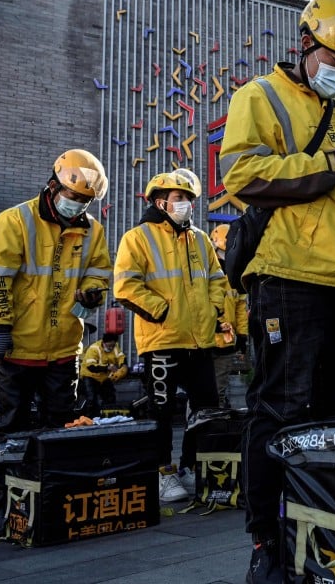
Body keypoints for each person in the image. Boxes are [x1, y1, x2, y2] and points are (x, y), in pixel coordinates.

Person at [220, 0, 335, 584]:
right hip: (290, 278)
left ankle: (332, 521)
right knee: (281, 407)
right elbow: (241, 175)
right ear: (306, 45)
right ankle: (267, 537)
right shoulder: (260, 96)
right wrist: (331, 168)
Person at [0, 149, 111, 536]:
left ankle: (54, 497)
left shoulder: (93, 231)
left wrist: (91, 292)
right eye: (74, 196)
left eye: (86, 201)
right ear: (53, 185)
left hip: (62, 349)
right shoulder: (16, 220)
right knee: (9, 431)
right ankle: (3, 507)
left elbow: (98, 274)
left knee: (60, 428)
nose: (78, 205)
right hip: (13, 347)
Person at [113, 171, 229, 503]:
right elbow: (126, 285)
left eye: (189, 199)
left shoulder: (200, 239)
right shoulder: (137, 237)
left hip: (200, 340)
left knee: (206, 408)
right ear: (160, 201)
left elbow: (218, 279)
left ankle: (195, 467)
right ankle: (162, 472)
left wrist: (213, 308)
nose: (186, 205)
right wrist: (163, 312)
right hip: (161, 341)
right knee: (160, 411)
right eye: (179, 198)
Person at [211, 223, 250, 408]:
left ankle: (215, 427)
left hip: (225, 342)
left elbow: (241, 307)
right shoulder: (205, 273)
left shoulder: (236, 275)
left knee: (219, 390)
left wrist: (242, 335)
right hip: (205, 341)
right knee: (203, 392)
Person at [77, 333, 127, 417]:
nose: (111, 348)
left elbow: (121, 358)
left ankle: (109, 416)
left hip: (104, 377)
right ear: (103, 342)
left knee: (110, 396)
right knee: (91, 398)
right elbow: (91, 367)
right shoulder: (94, 349)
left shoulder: (115, 347)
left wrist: (123, 366)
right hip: (90, 376)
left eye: (113, 345)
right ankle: (90, 418)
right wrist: (107, 368)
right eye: (109, 346)